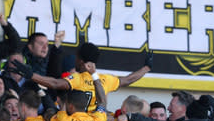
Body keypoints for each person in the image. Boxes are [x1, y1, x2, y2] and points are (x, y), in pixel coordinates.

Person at [11, 42, 152, 112]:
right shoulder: (106, 79)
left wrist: (30, 74)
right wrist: (146, 68)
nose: (75, 61)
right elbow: (129, 79)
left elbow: (54, 83)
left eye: (77, 58)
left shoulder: (77, 79)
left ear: (81, 61)